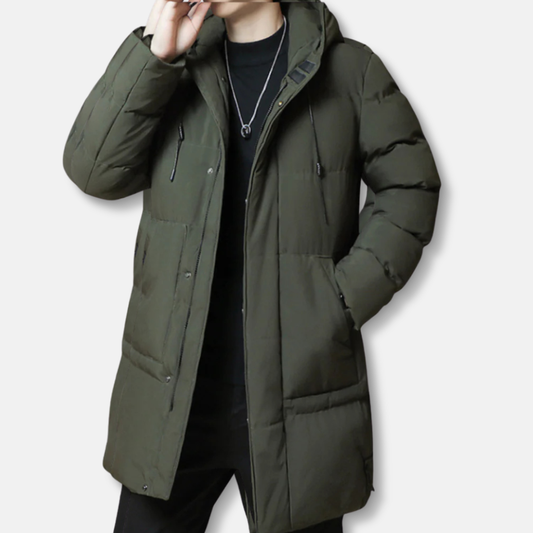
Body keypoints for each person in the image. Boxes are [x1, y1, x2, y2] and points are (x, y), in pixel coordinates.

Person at [62, 1, 441, 533]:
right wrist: (155, 56)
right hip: (175, 398)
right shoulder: (175, 67)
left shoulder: (349, 71)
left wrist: (338, 300)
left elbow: (410, 188)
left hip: (297, 396)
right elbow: (93, 171)